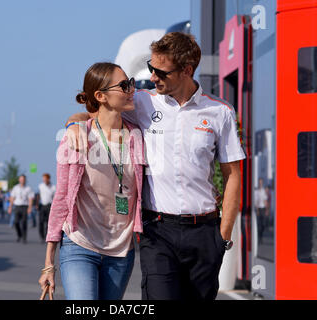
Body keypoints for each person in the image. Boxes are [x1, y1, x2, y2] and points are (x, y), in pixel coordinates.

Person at [66, 32, 245, 300]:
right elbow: (94, 111)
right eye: (151, 68)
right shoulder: (142, 101)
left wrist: (223, 236)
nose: (152, 77)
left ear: (186, 70)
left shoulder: (220, 112)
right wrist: (73, 123)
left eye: (160, 71)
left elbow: (233, 175)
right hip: (158, 232)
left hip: (205, 234)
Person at [38, 62, 145, 300]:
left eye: (132, 84)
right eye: (124, 85)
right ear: (101, 96)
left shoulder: (138, 138)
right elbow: (62, 200)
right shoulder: (78, 137)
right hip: (80, 245)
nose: (131, 90)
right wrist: (48, 262)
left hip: (121, 250)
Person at [8, 175, 34, 244]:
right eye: (21, 179)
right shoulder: (15, 188)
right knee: (16, 222)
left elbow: (30, 199)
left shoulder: (28, 188)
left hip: (25, 207)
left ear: (25, 180)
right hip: (17, 206)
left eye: (23, 179)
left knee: (24, 222)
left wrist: (30, 208)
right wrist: (10, 207)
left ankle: (24, 238)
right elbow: (12, 198)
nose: (22, 180)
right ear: (19, 180)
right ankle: (19, 234)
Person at [37, 173, 56, 241]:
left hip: (49, 206)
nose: (44, 180)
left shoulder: (53, 187)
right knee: (41, 221)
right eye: (43, 179)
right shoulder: (41, 186)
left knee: (48, 222)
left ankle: (47, 235)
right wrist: (36, 204)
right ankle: (41, 236)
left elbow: (55, 198)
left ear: (48, 179)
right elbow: (38, 196)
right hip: (42, 205)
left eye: (45, 179)